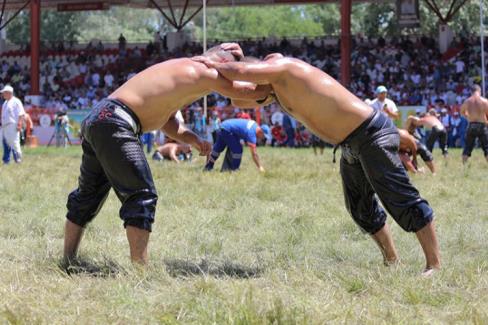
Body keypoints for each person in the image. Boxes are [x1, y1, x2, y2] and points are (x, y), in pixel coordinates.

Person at [201, 52, 441, 274]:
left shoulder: (284, 66)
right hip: (350, 143)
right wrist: (214, 79)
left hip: (371, 133)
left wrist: (210, 63)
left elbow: (241, 74)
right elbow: (240, 100)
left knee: (400, 198)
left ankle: (434, 265)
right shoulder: (277, 91)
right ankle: (392, 260)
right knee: (360, 208)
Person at [63, 43, 271, 265]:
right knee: (141, 195)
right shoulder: (204, 70)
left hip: (99, 117)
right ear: (222, 63)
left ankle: (67, 260)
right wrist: (277, 85)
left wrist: (194, 140)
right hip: (116, 121)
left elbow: (167, 122)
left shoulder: (182, 73)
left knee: (87, 196)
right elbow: (242, 92)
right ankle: (140, 272)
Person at [460, 84, 488, 164]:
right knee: (486, 147)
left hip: (471, 124)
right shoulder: (485, 101)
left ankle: (464, 166)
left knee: (467, 147)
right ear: (479, 91)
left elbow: (461, 112)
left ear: (471, 92)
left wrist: (468, 116)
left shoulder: (467, 101)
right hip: (482, 125)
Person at [1, 85, 25, 164]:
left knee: (14, 142)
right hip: (5, 126)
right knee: (6, 143)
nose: (3, 94)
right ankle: (6, 160)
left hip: (12, 125)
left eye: (4, 93)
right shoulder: (5, 103)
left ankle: (18, 159)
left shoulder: (16, 101)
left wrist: (19, 124)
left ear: (9, 93)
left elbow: (21, 114)